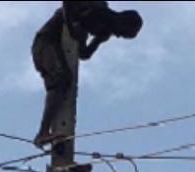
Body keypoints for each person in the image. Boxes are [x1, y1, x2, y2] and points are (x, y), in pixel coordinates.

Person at [32, 1, 143, 148]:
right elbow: (67, 4)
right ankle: (43, 133)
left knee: (65, 82)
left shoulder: (104, 32)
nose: (117, 36)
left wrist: (96, 42)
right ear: (121, 20)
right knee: (61, 79)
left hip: (59, 45)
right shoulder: (98, 6)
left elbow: (83, 53)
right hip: (47, 40)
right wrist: (72, 29)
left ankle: (54, 138)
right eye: (121, 32)